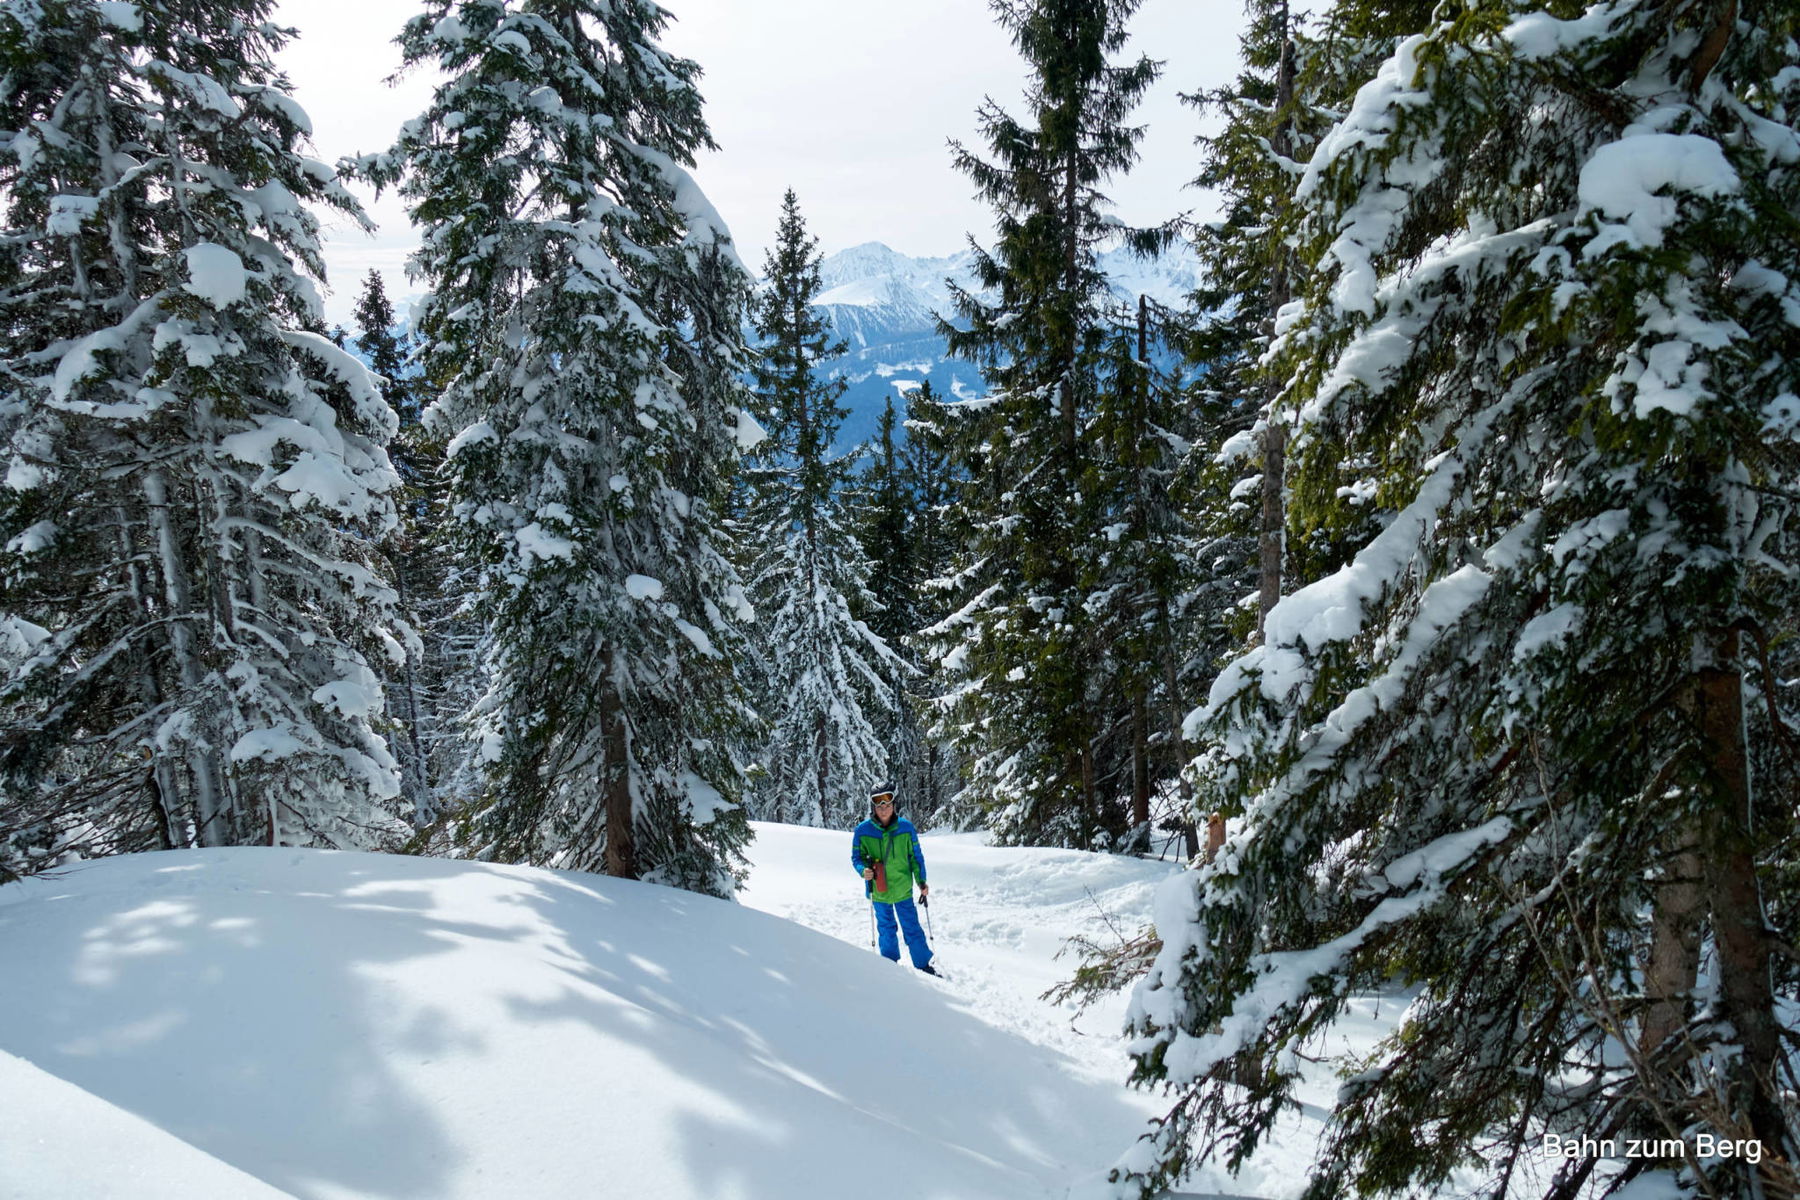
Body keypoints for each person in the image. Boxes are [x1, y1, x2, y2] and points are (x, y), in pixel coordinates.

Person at [851, 782, 936, 975]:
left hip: (902, 889)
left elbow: (915, 857)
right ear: (873, 806)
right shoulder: (862, 830)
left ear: (894, 804)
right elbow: (857, 857)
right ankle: (890, 968)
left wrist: (921, 881)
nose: (884, 809)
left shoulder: (906, 828)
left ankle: (923, 965)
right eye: (879, 804)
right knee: (886, 929)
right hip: (879, 891)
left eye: (887, 804)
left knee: (911, 927)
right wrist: (863, 870)